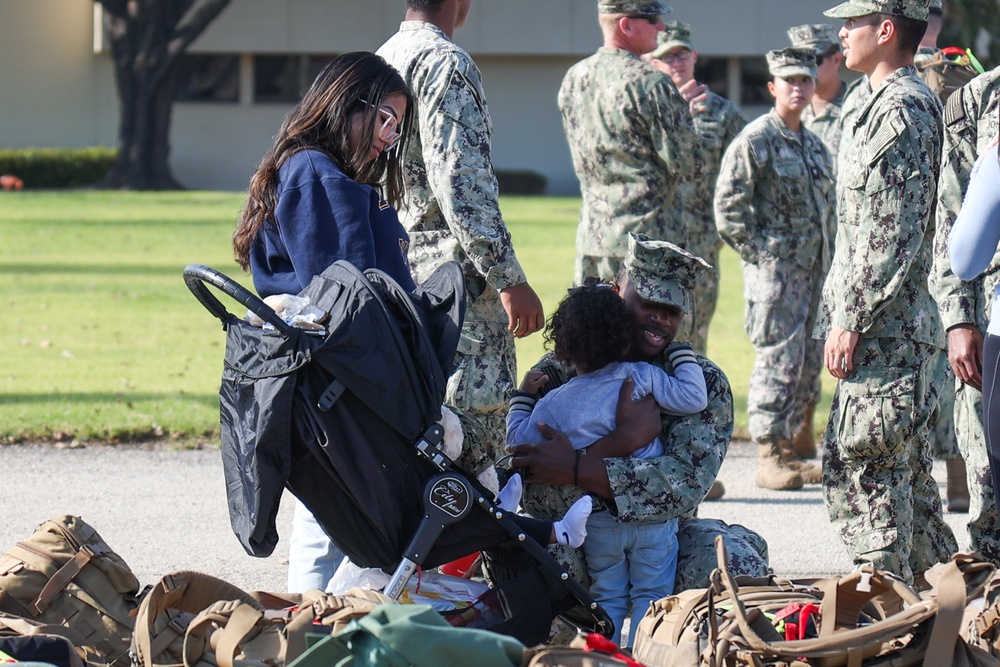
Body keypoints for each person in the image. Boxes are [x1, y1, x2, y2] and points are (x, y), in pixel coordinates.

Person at [231, 51, 587, 593]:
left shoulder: (327, 174)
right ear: (347, 104)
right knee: (353, 520)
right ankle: (322, 623)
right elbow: (346, 296)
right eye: (386, 118)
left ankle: (325, 619)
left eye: (400, 124)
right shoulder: (315, 172)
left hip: (345, 381)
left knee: (339, 517)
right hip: (345, 383)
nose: (392, 136)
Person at [508, 233, 770, 596]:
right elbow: (528, 478)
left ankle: (674, 645)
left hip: (661, 543)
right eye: (648, 302)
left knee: (738, 565)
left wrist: (574, 468)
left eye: (673, 310)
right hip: (574, 537)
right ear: (617, 292)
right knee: (521, 559)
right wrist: (622, 442)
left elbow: (683, 486)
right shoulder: (565, 365)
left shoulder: (699, 381)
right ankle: (565, 651)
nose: (661, 318)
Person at [816, 0, 958, 582]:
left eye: (851, 23)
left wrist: (850, 316)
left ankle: (887, 610)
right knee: (907, 481)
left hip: (887, 329)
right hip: (878, 324)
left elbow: (890, 233)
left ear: (885, 29)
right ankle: (954, 603)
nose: (841, 33)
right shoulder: (865, 102)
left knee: (868, 472)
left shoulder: (904, 108)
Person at [377, 0, 545, 468]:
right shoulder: (445, 62)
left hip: (397, 268)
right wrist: (509, 278)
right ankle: (469, 541)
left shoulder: (383, 57)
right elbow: (460, 180)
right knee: (472, 430)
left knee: (418, 423)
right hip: (455, 282)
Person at [507, 275, 709, 646]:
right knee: (654, 600)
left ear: (564, 352)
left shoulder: (556, 401)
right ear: (624, 337)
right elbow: (694, 398)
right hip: (653, 521)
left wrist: (523, 399)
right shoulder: (641, 374)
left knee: (609, 600)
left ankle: (605, 656)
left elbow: (518, 442)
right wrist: (682, 355)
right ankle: (650, 656)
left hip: (599, 521)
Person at [715, 48, 834, 491]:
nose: (799, 88)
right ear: (772, 87)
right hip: (777, 277)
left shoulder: (815, 143)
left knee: (806, 364)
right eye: (790, 81)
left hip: (814, 274)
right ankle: (768, 454)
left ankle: (789, 451)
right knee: (777, 361)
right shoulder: (756, 139)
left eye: (806, 80)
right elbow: (728, 207)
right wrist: (762, 256)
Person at [559, 0, 701, 286]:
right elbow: (689, 164)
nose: (661, 27)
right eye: (653, 20)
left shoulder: (575, 78)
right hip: (648, 247)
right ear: (626, 25)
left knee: (596, 329)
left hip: (594, 239)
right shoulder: (651, 83)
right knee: (652, 330)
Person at [646, 22, 747, 358]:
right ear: (653, 61)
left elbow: (745, 170)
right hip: (655, 241)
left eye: (681, 53)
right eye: (666, 56)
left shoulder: (721, 113)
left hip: (701, 244)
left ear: (694, 56)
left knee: (693, 335)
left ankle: (692, 406)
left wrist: (725, 224)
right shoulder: (647, 106)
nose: (675, 61)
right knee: (645, 333)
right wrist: (676, 119)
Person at [935, 66, 1000, 563]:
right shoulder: (978, 97)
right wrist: (959, 319)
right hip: (987, 304)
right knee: (988, 466)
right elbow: (952, 212)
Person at [788, 24, 849, 167]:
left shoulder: (857, 108)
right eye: (800, 62)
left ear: (836, 60)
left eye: (815, 60)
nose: (807, 69)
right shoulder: (791, 113)